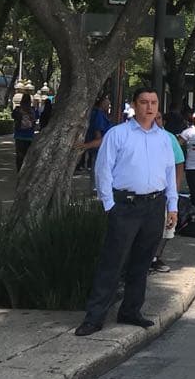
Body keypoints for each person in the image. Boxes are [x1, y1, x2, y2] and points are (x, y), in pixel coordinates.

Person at [75, 88, 178, 336]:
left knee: (142, 263)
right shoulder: (118, 134)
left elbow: (169, 172)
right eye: (144, 102)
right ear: (134, 105)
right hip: (125, 206)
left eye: (153, 103)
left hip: (154, 205)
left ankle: (131, 311)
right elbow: (103, 169)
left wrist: (172, 205)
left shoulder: (163, 137)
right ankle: (95, 317)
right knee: (113, 262)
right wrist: (109, 205)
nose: (149, 107)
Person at [151, 110, 187, 274]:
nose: (156, 121)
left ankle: (156, 258)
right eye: (153, 118)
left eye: (159, 118)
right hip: (143, 194)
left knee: (166, 228)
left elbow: (179, 164)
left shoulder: (170, 138)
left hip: (165, 193)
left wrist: (175, 190)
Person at [11, 93, 36, 172]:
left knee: (19, 153)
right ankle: (26, 169)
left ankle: (19, 169)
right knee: (27, 154)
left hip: (19, 135)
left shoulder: (18, 109)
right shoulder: (32, 110)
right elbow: (34, 122)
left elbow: (13, 117)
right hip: (29, 135)